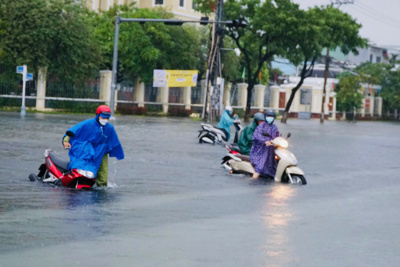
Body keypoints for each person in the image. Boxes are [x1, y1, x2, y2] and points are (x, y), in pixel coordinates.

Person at [62, 105, 124, 187]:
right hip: (86, 150)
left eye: (107, 118)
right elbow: (72, 132)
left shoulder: (109, 128)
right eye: (103, 117)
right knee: (80, 166)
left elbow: (114, 142)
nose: (105, 120)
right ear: (98, 115)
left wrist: (117, 153)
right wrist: (66, 141)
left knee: (103, 175)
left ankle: (101, 191)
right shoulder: (87, 123)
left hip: (101, 152)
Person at [250, 110, 280, 179]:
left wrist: (279, 141)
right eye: (268, 116)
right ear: (265, 117)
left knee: (273, 166)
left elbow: (277, 136)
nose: (270, 118)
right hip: (260, 150)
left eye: (271, 116)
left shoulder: (274, 127)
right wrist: (265, 141)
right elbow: (256, 136)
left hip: (271, 150)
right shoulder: (261, 126)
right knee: (260, 166)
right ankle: (253, 179)